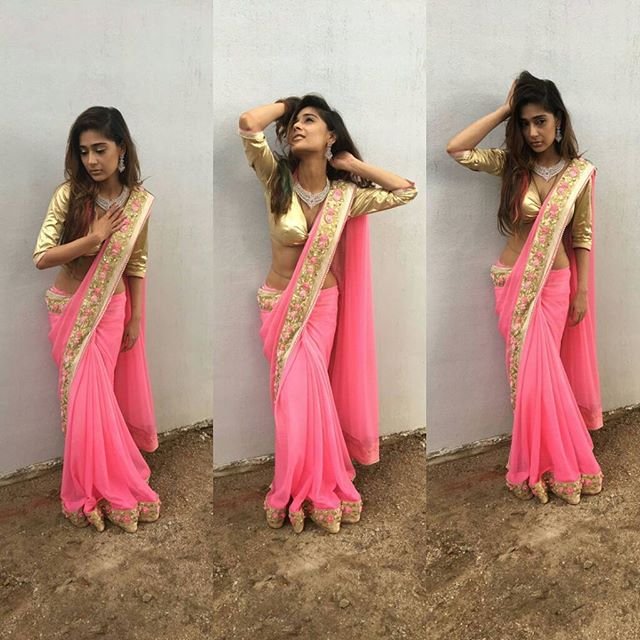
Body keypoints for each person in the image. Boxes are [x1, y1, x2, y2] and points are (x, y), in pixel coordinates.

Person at [239, 95, 417, 532]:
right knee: (293, 401)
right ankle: (297, 486)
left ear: (331, 135)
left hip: (322, 307)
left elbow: (405, 190)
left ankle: (317, 485)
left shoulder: (345, 197)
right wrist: (288, 104)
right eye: (294, 124)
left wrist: (353, 165)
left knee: (313, 395)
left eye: (310, 120)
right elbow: (248, 124)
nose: (297, 127)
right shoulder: (275, 179)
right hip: (279, 304)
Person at [447, 71, 603, 504]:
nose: (533, 132)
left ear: (559, 121)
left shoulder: (580, 174)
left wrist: (582, 292)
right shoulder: (510, 165)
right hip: (512, 281)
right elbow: (457, 149)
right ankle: (543, 462)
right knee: (532, 378)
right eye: (524, 123)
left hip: (555, 285)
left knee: (545, 374)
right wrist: (503, 110)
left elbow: (582, 235)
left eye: (540, 121)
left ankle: (557, 462)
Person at [34, 106, 160, 532]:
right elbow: (42, 257)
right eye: (84, 150)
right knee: (86, 400)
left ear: (121, 148)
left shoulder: (139, 203)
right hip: (69, 308)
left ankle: (109, 482)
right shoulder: (68, 195)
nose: (91, 160)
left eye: (100, 149)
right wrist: (92, 239)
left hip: (112, 311)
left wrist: (136, 317)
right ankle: (94, 486)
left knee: (98, 396)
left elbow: (137, 263)